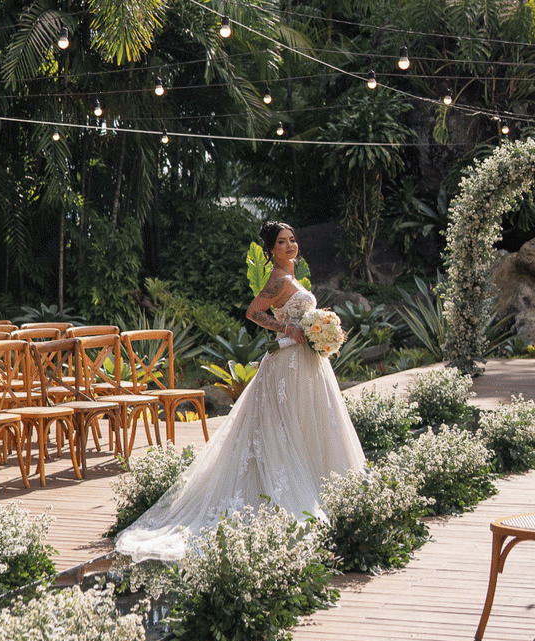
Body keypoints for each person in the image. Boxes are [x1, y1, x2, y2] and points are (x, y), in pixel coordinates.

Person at [113, 220, 365, 563]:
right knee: (285, 431)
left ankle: (325, 492)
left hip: (306, 364)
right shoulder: (278, 278)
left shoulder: (290, 277)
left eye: (293, 240)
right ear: (270, 250)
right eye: (282, 242)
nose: (290, 246)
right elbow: (253, 312)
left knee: (310, 427)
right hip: (288, 364)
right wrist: (287, 327)